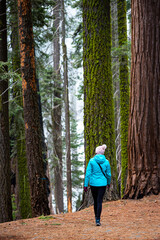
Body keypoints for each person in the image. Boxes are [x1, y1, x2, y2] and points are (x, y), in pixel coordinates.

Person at [84, 144, 111, 226]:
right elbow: (108, 174)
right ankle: (98, 220)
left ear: (96, 152)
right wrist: (108, 183)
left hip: (93, 184)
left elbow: (88, 173)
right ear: (103, 152)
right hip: (103, 184)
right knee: (99, 201)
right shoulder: (106, 162)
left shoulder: (91, 161)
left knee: (95, 201)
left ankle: (96, 217)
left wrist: (85, 185)